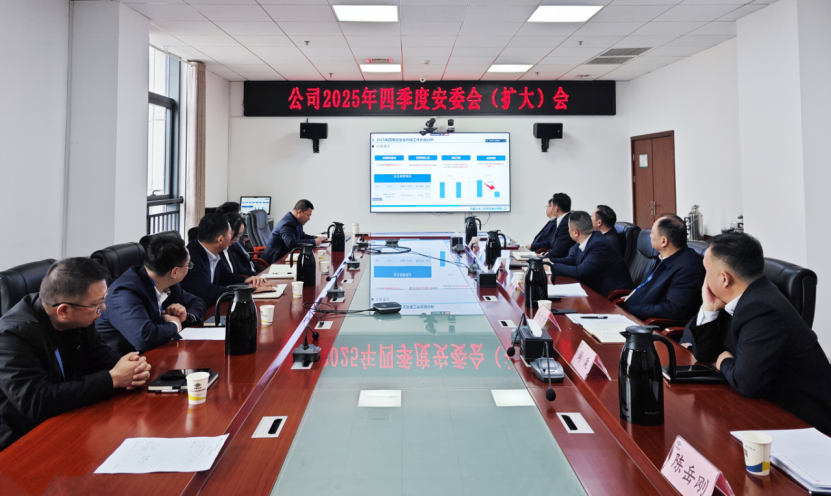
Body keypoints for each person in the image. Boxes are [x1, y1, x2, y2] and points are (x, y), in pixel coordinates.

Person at [680, 233, 831, 435]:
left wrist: (724, 361)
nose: (705, 278)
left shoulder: (761, 308)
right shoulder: (739, 296)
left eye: (707, 271)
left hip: (801, 421)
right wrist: (708, 309)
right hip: (763, 404)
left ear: (724, 278)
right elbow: (705, 354)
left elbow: (747, 383)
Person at [0, 258, 152, 451]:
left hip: (70, 419)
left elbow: (99, 356)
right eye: (97, 304)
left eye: (103, 300)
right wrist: (112, 379)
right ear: (63, 310)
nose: (103, 309)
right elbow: (37, 402)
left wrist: (133, 368)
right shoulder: (12, 337)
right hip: (22, 442)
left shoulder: (79, 317)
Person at [96, 237, 207, 355]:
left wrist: (184, 316)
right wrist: (174, 325)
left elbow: (197, 302)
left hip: (156, 354)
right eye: (188, 265)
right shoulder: (124, 292)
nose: (189, 268)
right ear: (175, 272)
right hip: (123, 361)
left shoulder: (168, 283)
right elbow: (145, 338)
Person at [623, 214, 705, 321]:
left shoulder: (688, 269)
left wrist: (630, 310)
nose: (650, 235)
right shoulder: (666, 257)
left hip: (648, 323)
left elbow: (672, 310)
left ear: (663, 241)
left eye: (652, 233)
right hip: (637, 311)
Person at [181, 214, 267, 308]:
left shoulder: (214, 253)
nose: (233, 238)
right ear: (220, 239)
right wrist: (248, 288)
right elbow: (208, 293)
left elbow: (227, 277)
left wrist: (247, 281)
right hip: (197, 311)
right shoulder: (191, 258)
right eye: (230, 234)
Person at [546, 211, 634, 296]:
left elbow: (580, 272)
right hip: (594, 287)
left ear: (576, 232)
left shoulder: (599, 245)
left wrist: (551, 267)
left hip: (611, 294)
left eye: (568, 228)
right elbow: (570, 260)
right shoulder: (585, 240)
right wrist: (547, 261)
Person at [263, 199, 324, 264]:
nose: (309, 218)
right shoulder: (287, 224)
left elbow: (301, 235)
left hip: (286, 257)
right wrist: (314, 242)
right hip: (275, 261)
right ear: (299, 212)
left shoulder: (295, 220)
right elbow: (291, 243)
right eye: (308, 215)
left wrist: (316, 238)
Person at [541, 193, 576, 259]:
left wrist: (543, 257)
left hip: (561, 261)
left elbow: (558, 251)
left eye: (551, 206)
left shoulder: (566, 223)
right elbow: (552, 243)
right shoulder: (562, 220)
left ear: (556, 208)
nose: (551, 209)